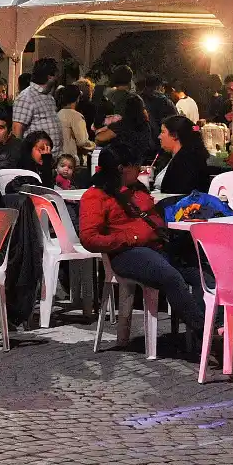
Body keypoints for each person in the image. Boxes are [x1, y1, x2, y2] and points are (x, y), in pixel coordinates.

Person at [78, 141, 204, 334]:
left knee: (203, 273)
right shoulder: (96, 196)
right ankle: (205, 333)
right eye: (136, 166)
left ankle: (215, 326)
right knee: (171, 277)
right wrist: (131, 237)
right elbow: (89, 239)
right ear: (122, 169)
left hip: (157, 247)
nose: (140, 170)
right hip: (126, 253)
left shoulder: (137, 189)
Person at [153, 115, 211, 195]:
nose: (159, 136)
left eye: (163, 132)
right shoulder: (172, 158)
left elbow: (177, 193)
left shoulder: (186, 163)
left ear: (175, 135)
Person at [11, 57, 62, 147]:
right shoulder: (26, 97)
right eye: (57, 74)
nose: (59, 76)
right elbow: (17, 129)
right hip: (35, 158)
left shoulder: (49, 97)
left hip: (51, 158)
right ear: (50, 76)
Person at [95, 94, 155, 162]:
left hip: (122, 163)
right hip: (141, 160)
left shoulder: (123, 124)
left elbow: (100, 137)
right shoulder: (146, 125)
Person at [55, 85, 91, 159]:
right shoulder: (76, 116)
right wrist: (94, 145)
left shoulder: (58, 114)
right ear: (77, 99)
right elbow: (82, 141)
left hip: (57, 158)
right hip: (71, 159)